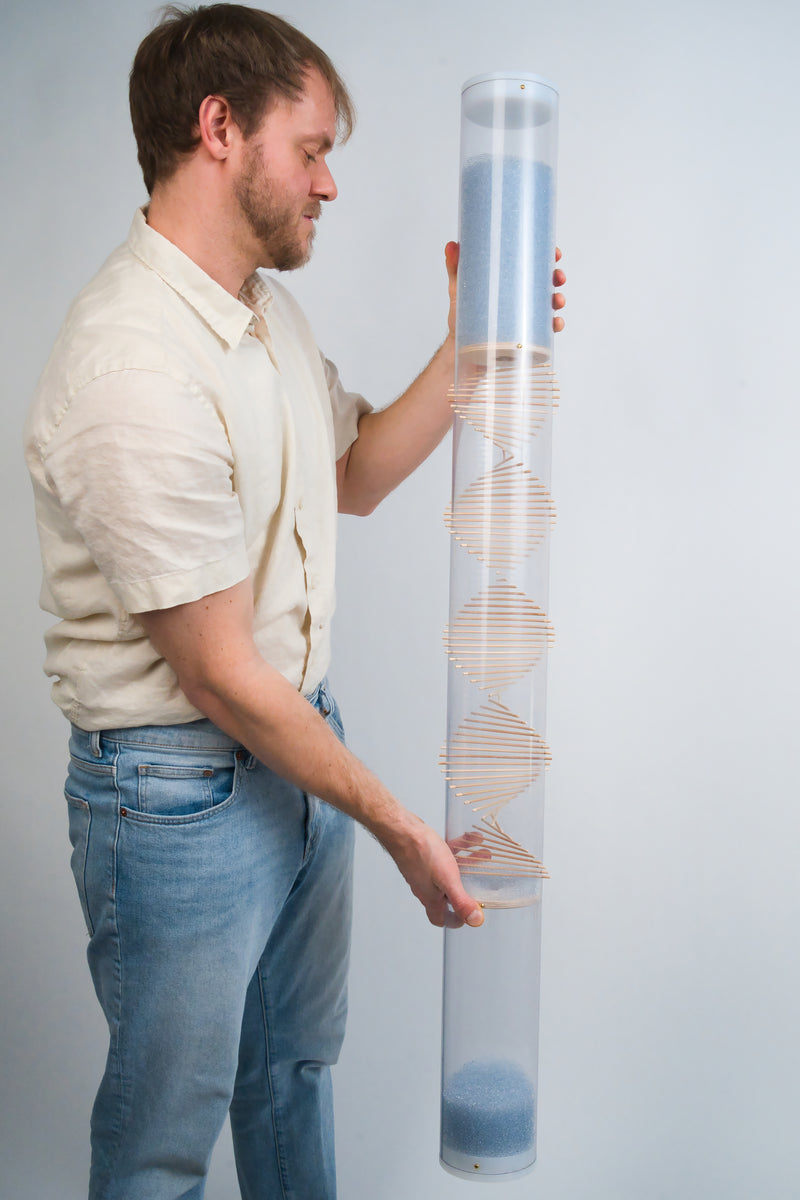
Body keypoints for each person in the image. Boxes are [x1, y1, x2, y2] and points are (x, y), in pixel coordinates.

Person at [24, 5, 566, 1198]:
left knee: (291, 1076)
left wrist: (470, 347)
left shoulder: (258, 316)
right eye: (312, 149)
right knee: (168, 1137)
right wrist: (396, 824)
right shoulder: (131, 367)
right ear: (219, 128)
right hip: (177, 794)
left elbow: (353, 474)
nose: (328, 185)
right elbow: (216, 672)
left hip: (295, 750)